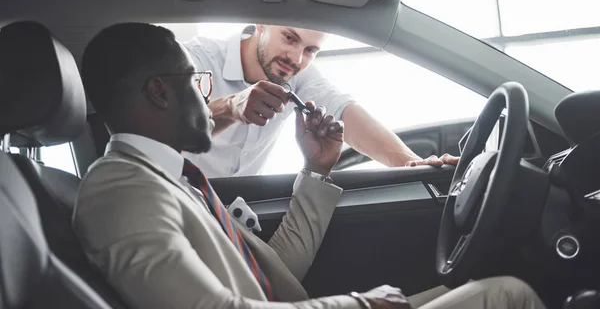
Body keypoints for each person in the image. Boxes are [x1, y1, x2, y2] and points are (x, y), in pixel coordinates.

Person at [74, 23, 546, 309]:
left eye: (310, 50)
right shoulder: (122, 188)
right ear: (160, 92)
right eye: (191, 87)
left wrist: (319, 170)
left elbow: (276, 277)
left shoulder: (174, 179)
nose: (298, 58)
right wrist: (359, 304)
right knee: (508, 296)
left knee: (489, 290)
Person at [183, 24, 459, 177]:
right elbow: (166, 130)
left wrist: (412, 165)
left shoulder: (298, 74)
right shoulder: (196, 58)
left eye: (311, 50)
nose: (296, 58)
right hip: (176, 202)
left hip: (238, 214)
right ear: (261, 22)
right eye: (290, 38)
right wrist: (231, 107)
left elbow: (345, 113)